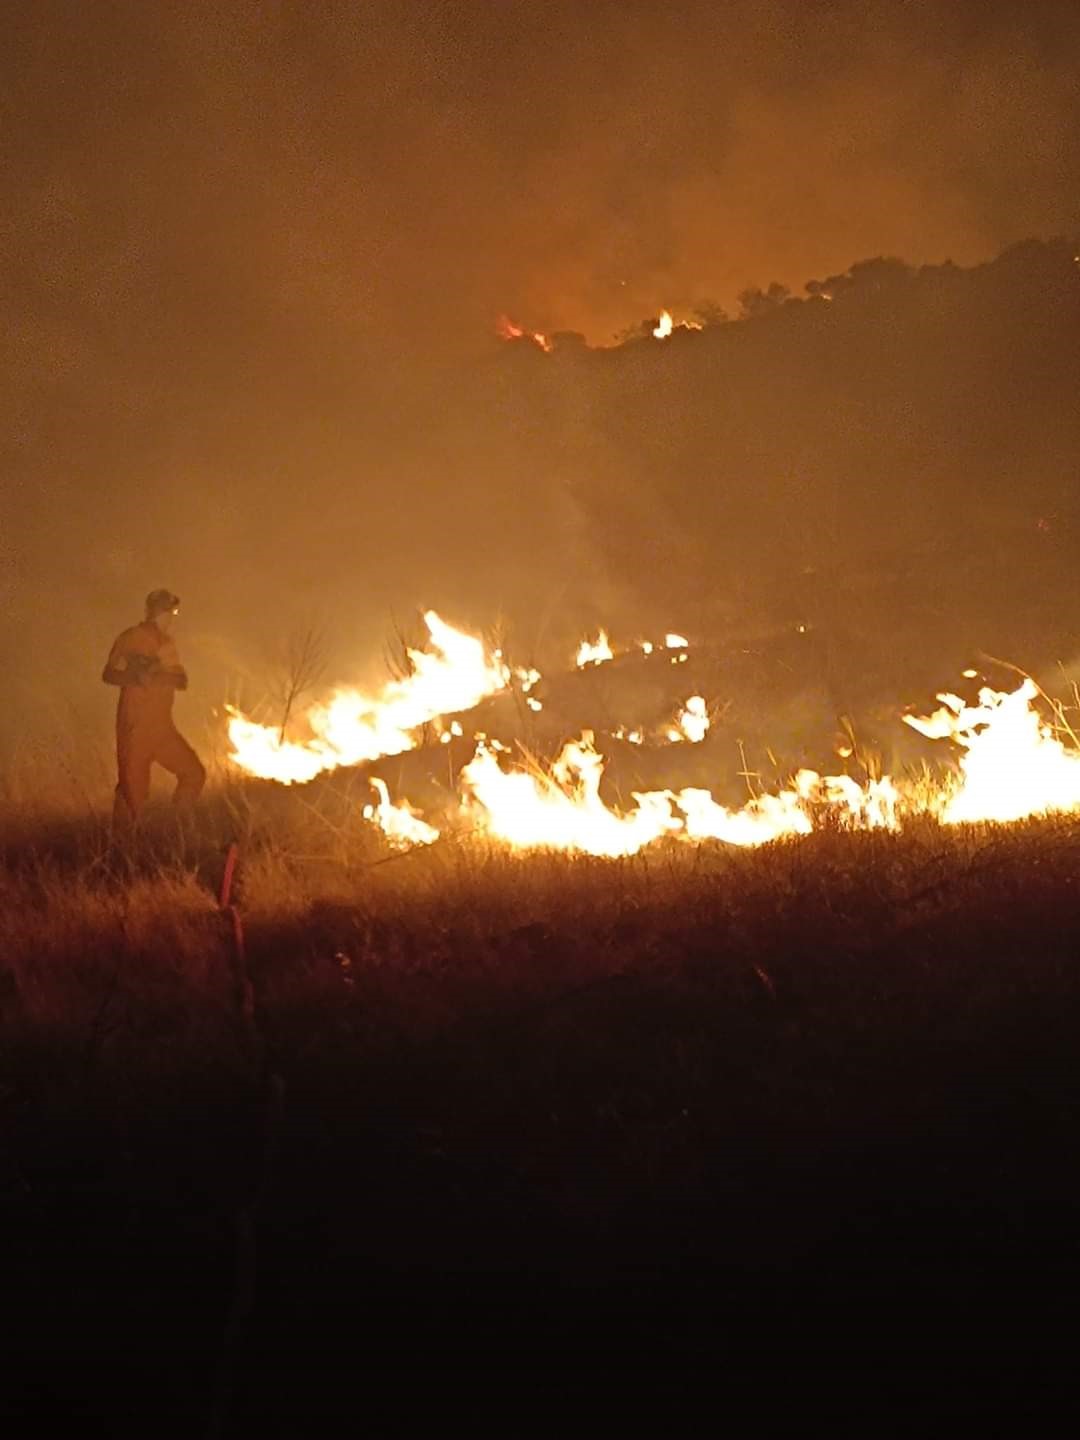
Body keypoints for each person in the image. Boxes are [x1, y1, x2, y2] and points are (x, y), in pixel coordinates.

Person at [102, 588, 206, 829]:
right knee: (132, 798)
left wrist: (157, 673)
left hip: (162, 729)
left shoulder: (167, 644)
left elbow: (182, 681)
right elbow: (108, 674)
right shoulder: (131, 638)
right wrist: (134, 676)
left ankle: (177, 828)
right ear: (157, 612)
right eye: (171, 612)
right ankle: (123, 852)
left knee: (194, 773)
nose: (173, 618)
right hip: (135, 730)